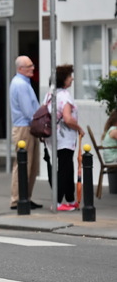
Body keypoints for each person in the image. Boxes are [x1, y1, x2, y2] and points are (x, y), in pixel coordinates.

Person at [44, 64, 85, 211]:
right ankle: (57, 201)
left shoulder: (50, 94)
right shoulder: (65, 96)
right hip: (65, 138)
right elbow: (67, 118)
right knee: (65, 169)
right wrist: (79, 128)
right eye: (69, 76)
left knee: (66, 167)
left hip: (53, 137)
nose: (72, 79)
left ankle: (70, 198)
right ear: (63, 79)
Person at [9, 55, 42, 210]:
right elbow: (28, 111)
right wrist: (39, 125)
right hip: (24, 128)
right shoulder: (21, 84)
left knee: (31, 165)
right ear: (20, 68)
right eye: (29, 66)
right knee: (23, 164)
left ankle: (26, 197)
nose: (33, 68)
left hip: (27, 127)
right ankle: (17, 199)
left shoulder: (23, 83)